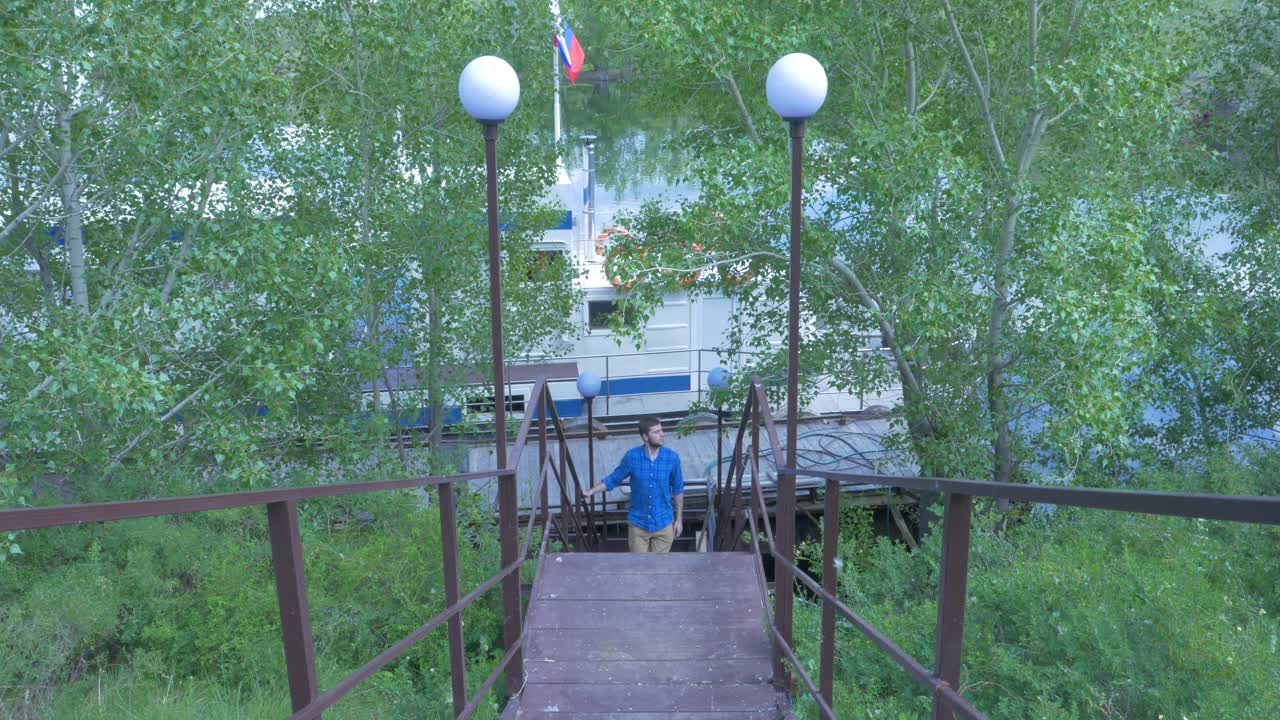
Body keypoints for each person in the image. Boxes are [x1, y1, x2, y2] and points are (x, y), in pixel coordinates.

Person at [584, 416, 684, 552]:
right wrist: (590, 492)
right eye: (656, 432)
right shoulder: (632, 457)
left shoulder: (672, 458)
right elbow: (614, 479)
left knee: (658, 565)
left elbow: (678, 489)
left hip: (664, 523)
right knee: (639, 564)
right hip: (638, 524)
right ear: (645, 437)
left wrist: (679, 520)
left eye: (661, 430)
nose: (662, 434)